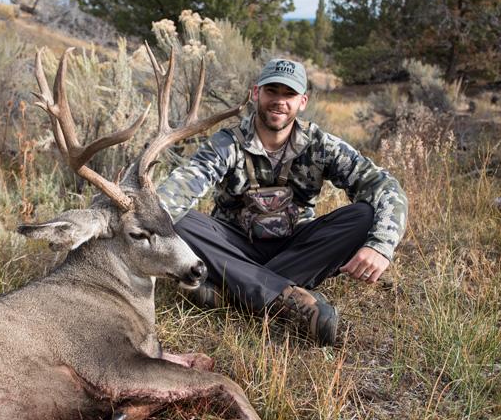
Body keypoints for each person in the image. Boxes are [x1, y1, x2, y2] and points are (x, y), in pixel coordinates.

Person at [157, 58, 408, 346]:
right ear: (256, 94)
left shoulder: (321, 144)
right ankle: (285, 297)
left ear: (302, 101)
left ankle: (231, 292)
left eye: (288, 94)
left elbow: (384, 186)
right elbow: (184, 184)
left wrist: (380, 245)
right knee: (181, 221)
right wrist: (139, 215)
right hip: (234, 244)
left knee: (362, 217)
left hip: (297, 248)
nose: (279, 101)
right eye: (271, 91)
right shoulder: (227, 143)